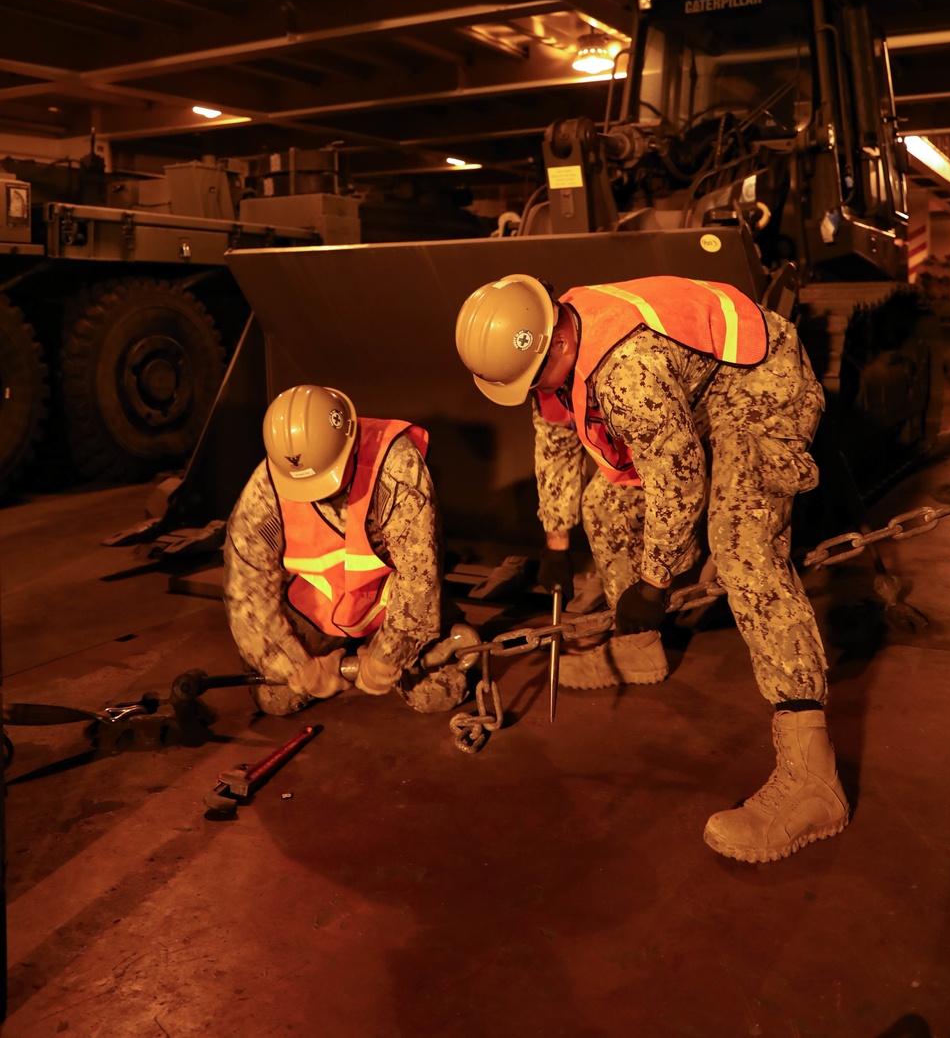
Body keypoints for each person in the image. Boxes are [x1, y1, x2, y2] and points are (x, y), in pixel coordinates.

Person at [455, 273, 849, 863]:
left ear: (556, 345)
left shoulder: (626, 371)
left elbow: (679, 476)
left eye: (532, 380)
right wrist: (557, 541)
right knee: (604, 505)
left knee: (742, 542)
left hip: (759, 385)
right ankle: (641, 648)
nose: (532, 392)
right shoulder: (549, 347)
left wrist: (655, 582)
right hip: (694, 390)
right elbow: (555, 435)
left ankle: (813, 775)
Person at [224, 383, 467, 717]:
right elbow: (246, 595)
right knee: (276, 697)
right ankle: (347, 652)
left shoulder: (395, 467)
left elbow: (419, 578)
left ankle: (443, 636)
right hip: (322, 611)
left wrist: (387, 656)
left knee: (438, 693)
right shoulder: (266, 488)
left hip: (386, 605)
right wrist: (298, 667)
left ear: (351, 442)